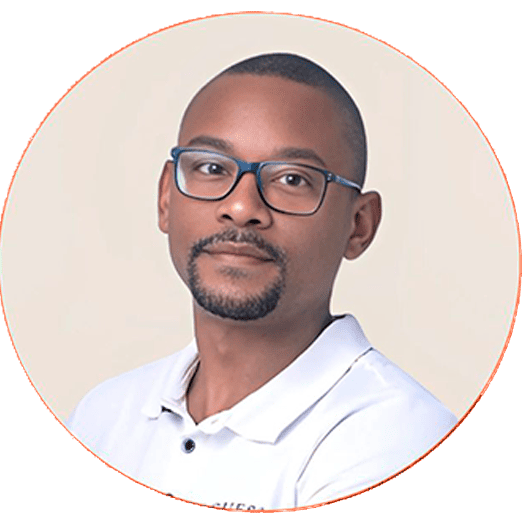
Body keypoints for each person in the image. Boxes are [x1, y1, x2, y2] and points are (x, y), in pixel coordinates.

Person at [67, 53, 457, 510]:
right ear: (166, 198)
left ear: (359, 226)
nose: (241, 207)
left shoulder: (400, 440)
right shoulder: (102, 416)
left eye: (292, 179)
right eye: (212, 168)